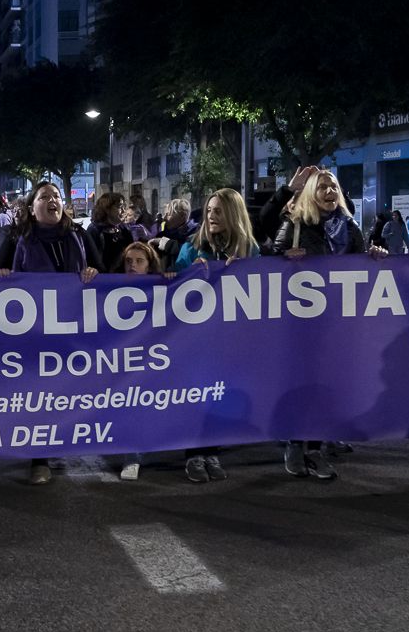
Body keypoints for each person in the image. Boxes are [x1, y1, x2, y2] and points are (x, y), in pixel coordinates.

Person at [269, 166, 387, 480]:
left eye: (333, 186)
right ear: (310, 193)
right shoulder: (295, 223)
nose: (329, 193)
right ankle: (295, 444)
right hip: (302, 323)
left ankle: (315, 450)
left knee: (327, 385)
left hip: (337, 323)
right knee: (302, 383)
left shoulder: (348, 226)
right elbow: (266, 256)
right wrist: (282, 258)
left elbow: (361, 265)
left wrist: (374, 256)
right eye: (322, 187)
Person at [0, 181, 100, 485]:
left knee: (66, 392)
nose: (52, 200)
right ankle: (38, 458)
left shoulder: (78, 235)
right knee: (38, 396)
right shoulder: (18, 239)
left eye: (56, 196)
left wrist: (93, 273)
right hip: (34, 334)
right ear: (31, 208)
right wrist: (4, 275)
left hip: (73, 330)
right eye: (44, 197)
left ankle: (62, 445)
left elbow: (103, 270)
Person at [174, 187, 261, 484]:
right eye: (209, 211)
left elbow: (262, 288)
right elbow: (172, 292)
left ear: (234, 215)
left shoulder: (251, 249)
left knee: (221, 396)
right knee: (197, 396)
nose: (211, 216)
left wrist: (245, 271)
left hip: (232, 338)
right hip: (196, 339)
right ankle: (193, 454)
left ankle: (213, 452)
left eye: (218, 211)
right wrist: (189, 274)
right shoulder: (191, 248)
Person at [113, 240, 175, 482]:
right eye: (128, 261)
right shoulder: (109, 289)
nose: (133, 266)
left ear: (149, 266)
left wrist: (170, 278)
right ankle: (131, 456)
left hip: (153, 359)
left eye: (139, 261)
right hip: (124, 360)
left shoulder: (160, 287)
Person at [89, 191, 143, 273]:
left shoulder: (125, 229)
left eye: (124, 207)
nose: (123, 210)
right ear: (107, 209)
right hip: (102, 281)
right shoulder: (94, 231)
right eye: (119, 207)